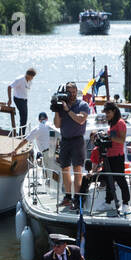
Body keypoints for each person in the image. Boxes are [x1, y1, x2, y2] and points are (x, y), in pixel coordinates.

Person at [53, 82, 90, 212]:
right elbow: (57, 125)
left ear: (77, 91)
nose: (72, 94)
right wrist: (57, 110)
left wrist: (68, 110)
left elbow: (80, 119)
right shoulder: (62, 105)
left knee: (77, 169)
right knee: (64, 169)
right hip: (65, 140)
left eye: (74, 91)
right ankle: (68, 196)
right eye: (69, 92)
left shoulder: (83, 105)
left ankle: (77, 197)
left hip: (77, 140)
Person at [98, 102, 130, 214]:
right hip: (109, 156)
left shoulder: (120, 123)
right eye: (105, 112)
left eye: (108, 112)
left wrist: (110, 137)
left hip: (117, 156)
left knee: (121, 179)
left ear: (114, 111)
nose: (106, 114)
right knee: (108, 180)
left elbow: (122, 140)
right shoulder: (111, 123)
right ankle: (108, 202)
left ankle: (126, 203)